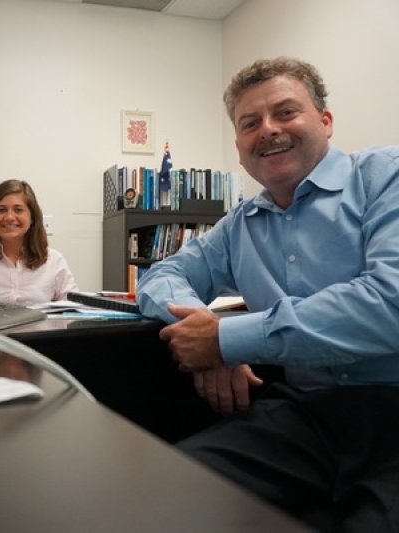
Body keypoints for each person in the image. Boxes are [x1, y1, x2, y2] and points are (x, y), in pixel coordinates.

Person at [136, 56, 399, 532]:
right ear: (238, 145)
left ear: (325, 120)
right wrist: (202, 329)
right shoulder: (240, 224)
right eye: (250, 123)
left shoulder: (385, 176)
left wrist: (228, 338)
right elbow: (163, 274)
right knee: (163, 496)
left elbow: (390, 303)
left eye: (286, 112)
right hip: (310, 416)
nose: (268, 130)